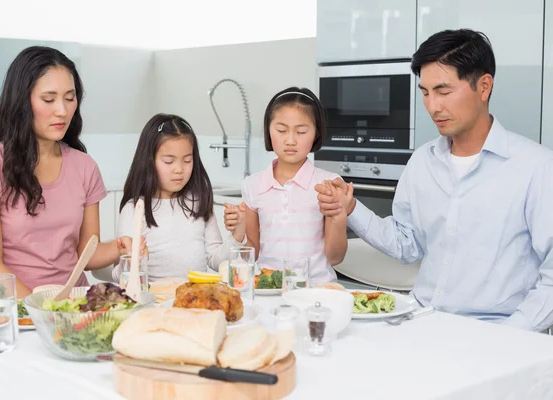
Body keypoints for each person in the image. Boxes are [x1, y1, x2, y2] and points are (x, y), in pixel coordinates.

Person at [315, 29, 553, 332]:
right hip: (422, 320)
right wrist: (351, 209)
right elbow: (407, 244)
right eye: (425, 92)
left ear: (483, 87)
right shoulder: (422, 161)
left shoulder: (537, 168)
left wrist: (511, 335)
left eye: (443, 91)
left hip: (494, 332)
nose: (432, 107)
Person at [0, 46, 143, 298]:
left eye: (69, 98)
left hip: (74, 308)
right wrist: (44, 309)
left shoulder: (84, 166)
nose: (62, 111)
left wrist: (123, 246)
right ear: (22, 101)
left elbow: (87, 254)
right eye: (48, 99)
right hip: (13, 310)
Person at [225, 87, 348, 286]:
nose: (290, 140)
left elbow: (335, 258)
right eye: (281, 130)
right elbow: (253, 252)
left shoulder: (328, 184)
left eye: (301, 131)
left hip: (317, 290)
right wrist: (239, 231)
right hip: (268, 290)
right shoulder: (252, 185)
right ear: (268, 130)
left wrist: (339, 216)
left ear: (316, 133)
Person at [114, 113, 247, 282]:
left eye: (187, 160)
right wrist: (133, 261)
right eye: (169, 161)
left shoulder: (198, 203)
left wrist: (237, 235)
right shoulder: (134, 209)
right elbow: (121, 276)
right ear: (148, 161)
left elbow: (216, 262)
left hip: (197, 299)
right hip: (154, 303)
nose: (179, 169)